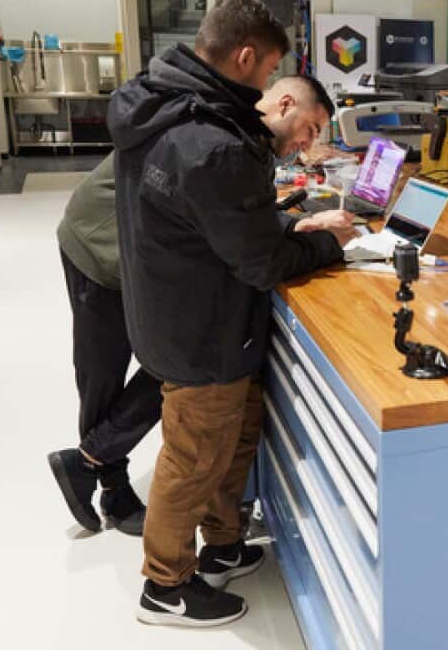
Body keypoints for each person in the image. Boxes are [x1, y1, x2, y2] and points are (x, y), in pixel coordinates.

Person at [108, 0, 360, 628]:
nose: (270, 83)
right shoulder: (212, 142)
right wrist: (330, 244)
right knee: (193, 460)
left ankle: (221, 548)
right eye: (271, 67)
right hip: (200, 327)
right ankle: (164, 586)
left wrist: (289, 222)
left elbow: (212, 222)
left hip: (187, 310)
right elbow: (262, 263)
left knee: (228, 444)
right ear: (248, 58)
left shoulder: (162, 105)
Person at [48, 75, 351, 537]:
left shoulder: (244, 131)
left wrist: (294, 224)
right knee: (111, 368)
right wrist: (316, 240)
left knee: (175, 360)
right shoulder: (224, 132)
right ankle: (101, 470)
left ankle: (94, 462)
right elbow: (221, 212)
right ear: (285, 103)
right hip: (101, 243)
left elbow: (224, 210)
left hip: (153, 245)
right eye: (310, 127)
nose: (309, 143)